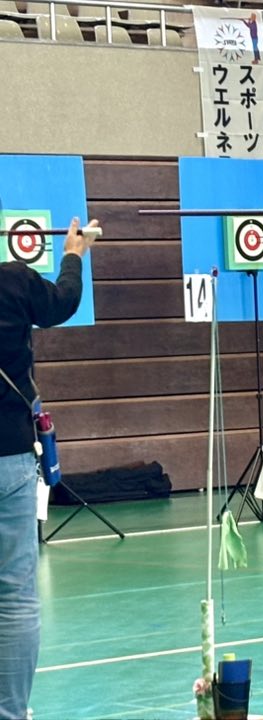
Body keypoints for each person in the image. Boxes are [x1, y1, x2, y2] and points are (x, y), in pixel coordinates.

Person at [0, 218, 98, 719]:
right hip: (10, 454)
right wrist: (74, 254)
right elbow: (63, 301)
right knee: (15, 595)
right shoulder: (13, 281)